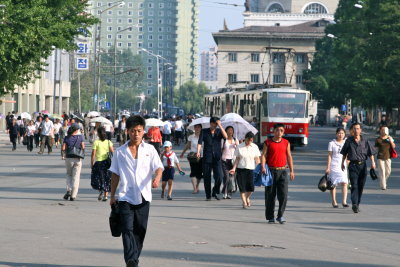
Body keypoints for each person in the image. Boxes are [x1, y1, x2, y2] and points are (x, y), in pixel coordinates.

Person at [109, 115, 163, 267]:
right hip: (125, 196)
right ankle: (131, 260)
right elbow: (115, 174)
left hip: (144, 196)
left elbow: (159, 167)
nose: (136, 134)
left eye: (139, 131)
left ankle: (134, 258)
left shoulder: (150, 150)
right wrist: (112, 196)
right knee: (127, 229)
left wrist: (157, 178)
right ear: (128, 132)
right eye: (133, 131)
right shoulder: (120, 152)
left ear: (143, 131)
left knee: (140, 229)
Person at [261, 123, 295, 224]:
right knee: (270, 195)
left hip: (283, 171)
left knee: (283, 195)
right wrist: (263, 166)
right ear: (273, 131)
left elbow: (289, 157)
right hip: (271, 171)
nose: (279, 132)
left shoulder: (286, 142)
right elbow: (263, 155)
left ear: (283, 132)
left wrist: (292, 171)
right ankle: (270, 216)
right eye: (277, 130)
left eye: (281, 130)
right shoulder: (267, 142)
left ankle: (280, 215)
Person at [341, 123, 376, 213]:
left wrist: (373, 162)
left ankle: (357, 203)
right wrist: (342, 163)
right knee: (354, 185)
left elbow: (370, 152)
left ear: (360, 130)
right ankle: (354, 204)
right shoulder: (349, 141)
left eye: (357, 128)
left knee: (361, 186)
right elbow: (344, 153)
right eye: (354, 129)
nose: (356, 130)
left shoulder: (365, 140)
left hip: (363, 165)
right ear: (352, 130)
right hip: (353, 165)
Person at [196, 117, 228, 200]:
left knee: (220, 176)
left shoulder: (219, 131)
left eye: (218, 123)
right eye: (215, 123)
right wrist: (198, 152)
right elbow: (199, 142)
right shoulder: (204, 131)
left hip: (217, 157)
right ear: (211, 123)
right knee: (207, 177)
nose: (216, 125)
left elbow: (226, 137)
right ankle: (208, 195)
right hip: (207, 157)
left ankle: (215, 191)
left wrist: (220, 126)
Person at [229, 132, 261, 209]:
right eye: (248, 140)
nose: (249, 141)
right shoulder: (239, 147)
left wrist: (261, 168)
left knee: (251, 188)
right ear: (245, 139)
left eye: (251, 140)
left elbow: (257, 159)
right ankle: (244, 202)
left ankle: (247, 198)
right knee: (242, 187)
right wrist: (234, 168)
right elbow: (237, 159)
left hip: (251, 170)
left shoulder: (255, 147)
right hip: (241, 170)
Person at [325, 128, 349, 208]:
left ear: (344, 134)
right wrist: (328, 167)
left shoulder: (346, 143)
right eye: (339, 133)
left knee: (344, 183)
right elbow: (329, 156)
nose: (340, 135)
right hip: (334, 165)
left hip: (343, 165)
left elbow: (348, 154)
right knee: (333, 184)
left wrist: (348, 162)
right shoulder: (331, 143)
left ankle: (344, 201)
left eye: (342, 133)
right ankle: (334, 201)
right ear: (336, 134)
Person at [61, 123, 85, 201]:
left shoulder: (67, 137)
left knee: (69, 174)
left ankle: (69, 190)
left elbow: (63, 148)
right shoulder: (80, 137)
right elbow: (83, 147)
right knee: (76, 176)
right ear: (77, 130)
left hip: (69, 158)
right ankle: (73, 195)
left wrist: (64, 153)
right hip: (78, 158)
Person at [91, 127, 114, 201]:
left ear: (98, 134)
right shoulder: (108, 142)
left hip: (99, 163)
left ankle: (101, 190)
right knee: (107, 178)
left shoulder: (96, 142)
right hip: (107, 163)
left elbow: (93, 154)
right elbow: (112, 152)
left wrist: (92, 163)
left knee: (99, 178)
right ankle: (106, 195)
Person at [180, 124, 203, 194]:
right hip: (193, 156)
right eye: (196, 127)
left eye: (199, 127)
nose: (197, 128)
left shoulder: (204, 136)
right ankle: (194, 188)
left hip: (202, 156)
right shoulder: (191, 137)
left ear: (201, 128)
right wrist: (183, 153)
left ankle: (197, 185)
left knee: (199, 173)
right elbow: (188, 145)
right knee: (193, 172)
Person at [221, 126, 239, 199]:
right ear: (226, 131)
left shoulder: (235, 139)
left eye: (231, 130)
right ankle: (225, 192)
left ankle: (229, 192)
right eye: (228, 130)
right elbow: (221, 149)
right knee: (226, 177)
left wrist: (236, 145)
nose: (230, 131)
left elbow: (238, 150)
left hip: (233, 161)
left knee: (231, 178)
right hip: (225, 160)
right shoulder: (223, 140)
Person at [375, 126, 396, 190]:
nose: (383, 131)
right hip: (380, 157)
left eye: (385, 130)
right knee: (382, 171)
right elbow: (376, 148)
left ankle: (383, 180)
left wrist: (390, 140)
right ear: (380, 131)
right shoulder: (378, 139)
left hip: (388, 157)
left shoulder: (389, 138)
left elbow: (393, 146)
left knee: (388, 171)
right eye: (382, 130)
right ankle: (383, 185)